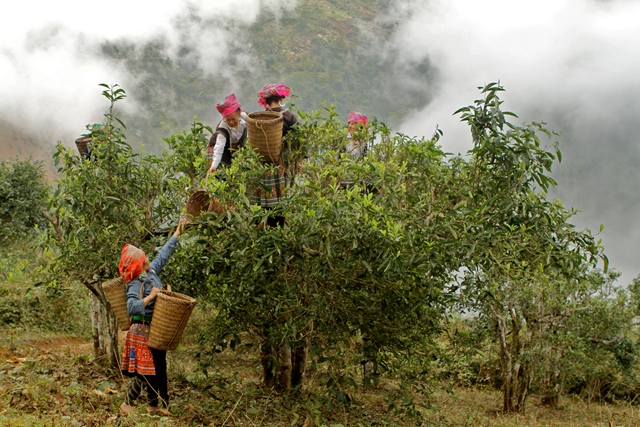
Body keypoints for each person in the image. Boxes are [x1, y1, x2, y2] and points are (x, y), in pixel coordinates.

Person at [118, 219, 186, 416]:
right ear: (138, 264)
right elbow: (131, 307)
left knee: (158, 367)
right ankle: (128, 404)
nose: (147, 258)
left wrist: (177, 234)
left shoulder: (152, 271)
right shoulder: (134, 283)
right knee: (145, 370)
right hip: (141, 329)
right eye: (143, 257)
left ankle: (156, 405)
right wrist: (151, 297)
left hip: (154, 329)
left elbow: (163, 255)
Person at [250, 84, 299, 228]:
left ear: (265, 101)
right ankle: (276, 231)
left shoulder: (261, 118)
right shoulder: (288, 117)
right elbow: (299, 141)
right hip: (280, 167)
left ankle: (261, 229)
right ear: (280, 98)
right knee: (279, 202)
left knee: (262, 203)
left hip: (261, 168)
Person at [207, 93, 247, 174]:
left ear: (239, 113)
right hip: (220, 149)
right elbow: (219, 148)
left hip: (236, 148)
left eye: (233, 119)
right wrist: (214, 166)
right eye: (228, 120)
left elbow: (256, 123)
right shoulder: (222, 129)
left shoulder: (245, 117)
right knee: (221, 172)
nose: (231, 122)